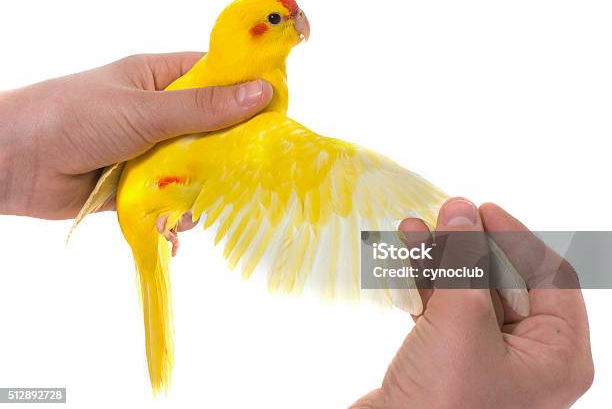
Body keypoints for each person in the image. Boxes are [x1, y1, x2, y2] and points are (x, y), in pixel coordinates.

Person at [0, 53, 594, 407]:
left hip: (145, 202)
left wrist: (22, 149)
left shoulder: (228, 109)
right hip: (147, 203)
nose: (298, 28)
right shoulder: (264, 134)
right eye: (279, 20)